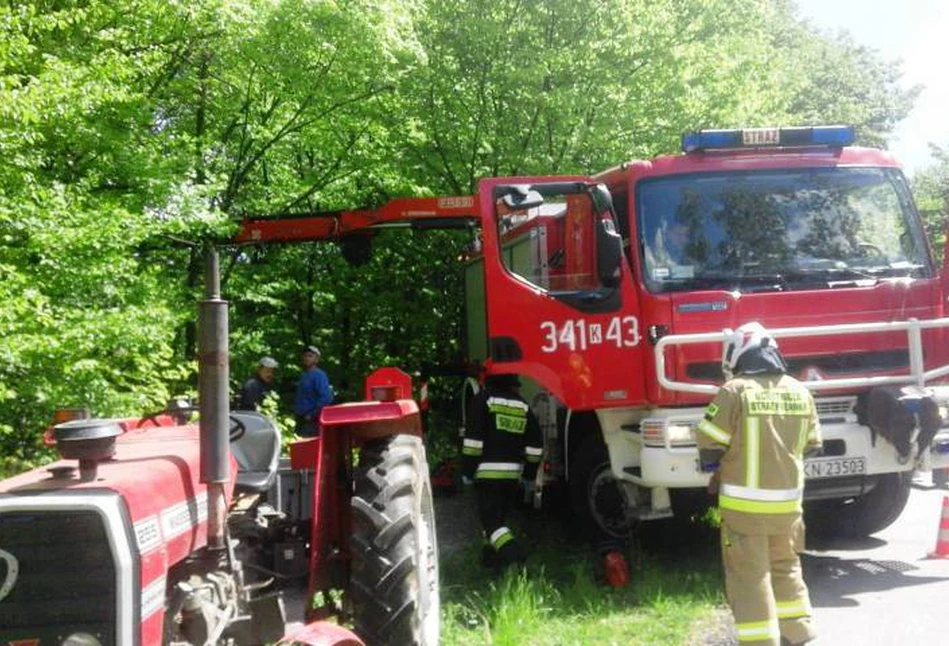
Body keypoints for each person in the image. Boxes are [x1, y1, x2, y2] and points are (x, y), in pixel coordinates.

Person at [697, 322, 822, 646]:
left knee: (751, 580)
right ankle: (798, 632)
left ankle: (760, 642)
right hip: (789, 510)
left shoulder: (734, 391)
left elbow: (709, 443)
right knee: (786, 570)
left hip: (744, 513)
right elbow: (812, 444)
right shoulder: (799, 391)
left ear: (737, 355)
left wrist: (715, 470)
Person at [462, 373, 544, 569]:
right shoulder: (522, 405)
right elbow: (536, 447)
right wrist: (528, 475)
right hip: (512, 477)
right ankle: (491, 563)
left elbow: (473, 443)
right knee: (498, 521)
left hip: (487, 475)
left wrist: (467, 471)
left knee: (492, 525)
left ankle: (517, 560)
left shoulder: (482, 400)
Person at [293, 345, 333, 437]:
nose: (307, 358)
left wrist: (312, 414)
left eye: (310, 356)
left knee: (308, 447)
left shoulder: (319, 375)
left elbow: (326, 398)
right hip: (300, 419)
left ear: (316, 359)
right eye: (305, 355)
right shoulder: (303, 375)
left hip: (311, 421)